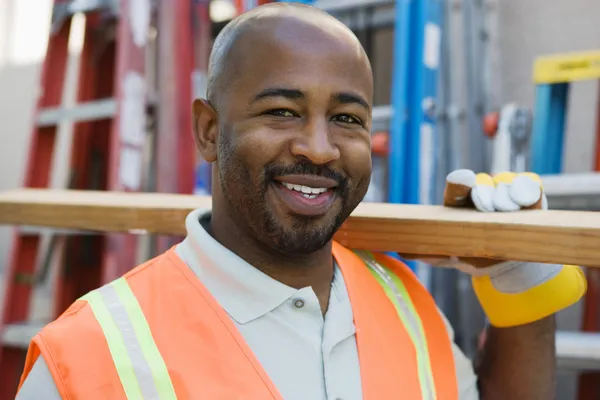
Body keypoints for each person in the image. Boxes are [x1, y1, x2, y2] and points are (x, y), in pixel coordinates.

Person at [16, 3, 586, 400]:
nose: (319, 150)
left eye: (346, 119)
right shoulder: (89, 358)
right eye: (281, 111)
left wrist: (523, 288)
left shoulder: (404, 306)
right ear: (210, 131)